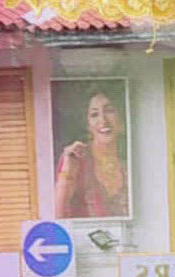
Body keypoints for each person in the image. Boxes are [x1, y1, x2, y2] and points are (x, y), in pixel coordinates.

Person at [55, 88, 129, 218]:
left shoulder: (130, 159)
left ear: (122, 119)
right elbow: (58, 217)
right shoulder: (75, 158)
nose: (103, 121)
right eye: (94, 114)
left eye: (109, 111)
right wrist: (68, 173)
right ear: (88, 125)